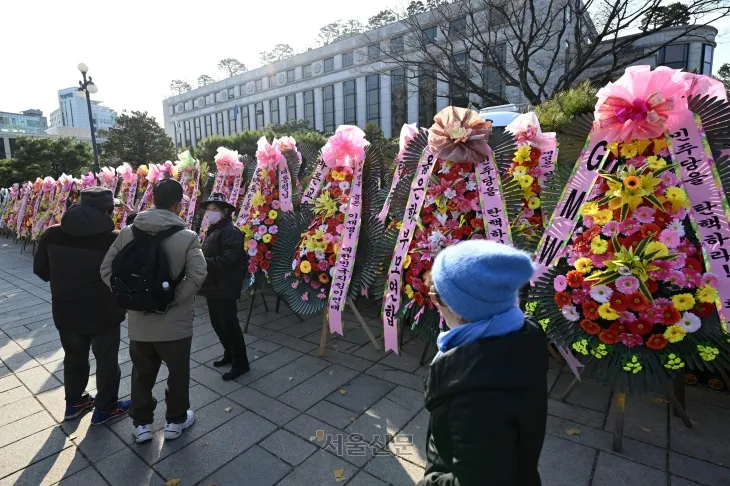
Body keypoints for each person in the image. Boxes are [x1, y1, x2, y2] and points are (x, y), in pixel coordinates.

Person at [418, 240, 548, 486]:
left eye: (437, 296)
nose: (434, 304)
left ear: (461, 308)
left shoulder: (476, 393)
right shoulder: (521, 335)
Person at [101, 179, 207, 444]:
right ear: (178, 204)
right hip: (175, 324)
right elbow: (197, 275)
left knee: (141, 373)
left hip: (139, 323)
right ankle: (175, 421)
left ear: (153, 199)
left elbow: (106, 270)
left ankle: (142, 425)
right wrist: (170, 300)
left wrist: (131, 297)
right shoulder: (187, 237)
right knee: (178, 372)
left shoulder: (128, 232)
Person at [33, 187, 130, 425]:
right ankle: (105, 408)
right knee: (106, 361)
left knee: (74, 359)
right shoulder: (114, 238)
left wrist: (63, 281)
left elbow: (40, 270)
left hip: (65, 310)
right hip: (103, 312)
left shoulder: (52, 233)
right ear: (107, 211)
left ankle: (74, 403)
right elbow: (124, 276)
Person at [199, 193, 249, 381]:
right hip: (213, 285)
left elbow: (229, 259)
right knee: (217, 323)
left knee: (229, 325)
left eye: (214, 209)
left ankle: (241, 363)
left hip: (225, 287)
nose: (210, 213)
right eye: (209, 209)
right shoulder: (214, 229)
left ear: (225, 212)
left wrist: (203, 261)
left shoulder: (231, 231)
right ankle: (229, 353)